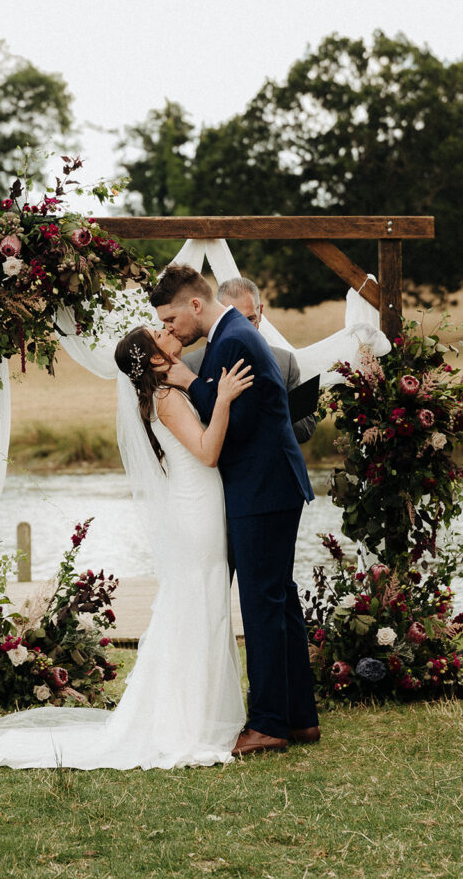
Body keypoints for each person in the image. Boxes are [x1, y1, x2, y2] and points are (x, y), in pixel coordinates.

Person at [0, 325, 252, 771]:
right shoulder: (167, 398)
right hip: (196, 509)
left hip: (195, 505)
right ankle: (189, 721)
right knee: (200, 603)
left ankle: (195, 712)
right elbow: (208, 452)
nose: (167, 330)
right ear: (155, 359)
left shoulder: (163, 391)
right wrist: (226, 399)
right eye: (159, 333)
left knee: (199, 602)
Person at [151, 264, 320, 755]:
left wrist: (188, 381)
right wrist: (193, 380)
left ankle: (268, 724)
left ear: (195, 305)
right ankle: (300, 716)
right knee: (280, 601)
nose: (171, 328)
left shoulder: (232, 341)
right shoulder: (234, 334)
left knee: (262, 607)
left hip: (261, 488)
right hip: (269, 485)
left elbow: (237, 423)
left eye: (171, 317)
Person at [183, 276, 317, 445]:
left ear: (260, 312)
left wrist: (275, 407)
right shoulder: (192, 365)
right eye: (233, 320)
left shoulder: (285, 362)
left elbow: (306, 429)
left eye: (249, 319)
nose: (241, 329)